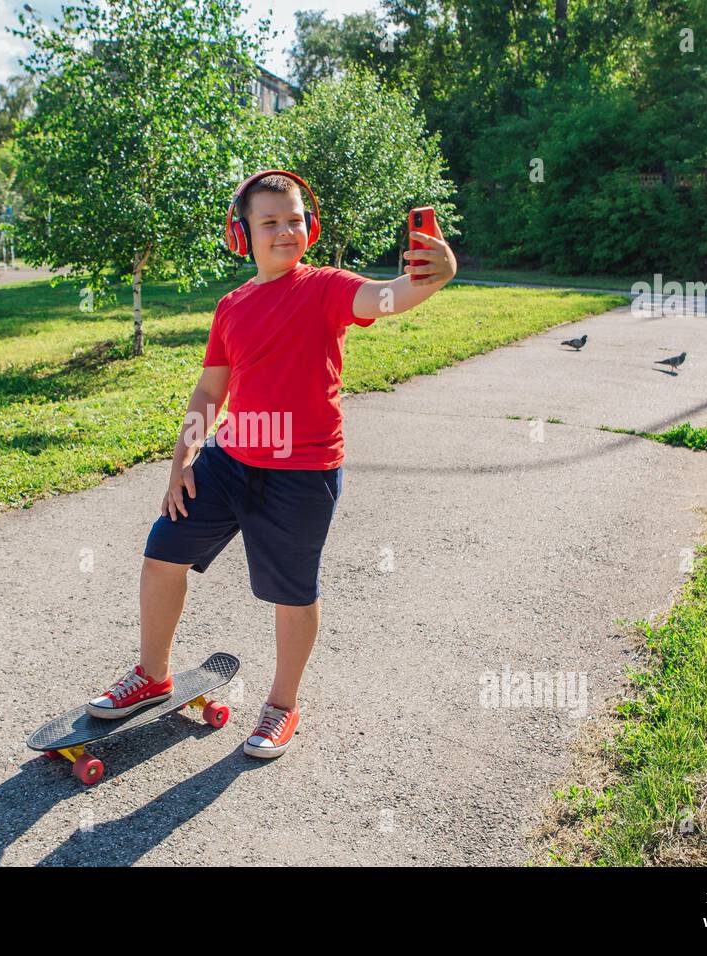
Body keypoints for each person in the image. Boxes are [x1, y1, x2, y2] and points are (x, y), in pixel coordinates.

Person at [86, 170, 456, 759]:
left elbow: (386, 297)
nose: (286, 229)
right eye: (270, 221)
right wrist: (182, 458)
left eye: (294, 219)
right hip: (229, 458)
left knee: (291, 592)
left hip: (302, 472)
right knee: (161, 555)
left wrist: (431, 278)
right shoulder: (231, 305)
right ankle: (153, 674)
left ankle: (283, 705)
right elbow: (210, 391)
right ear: (243, 235)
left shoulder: (325, 287)